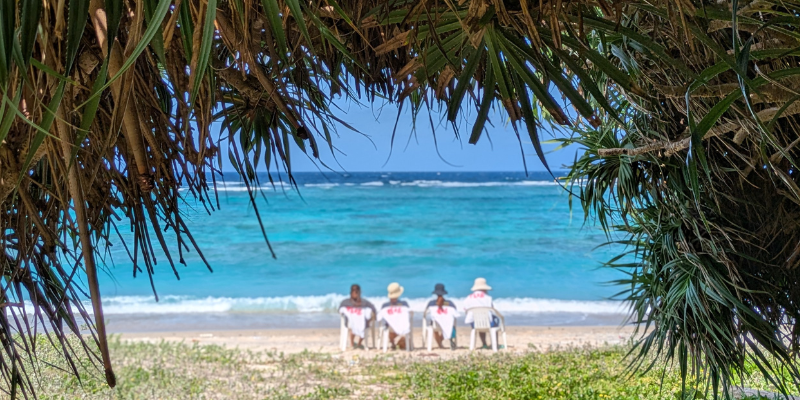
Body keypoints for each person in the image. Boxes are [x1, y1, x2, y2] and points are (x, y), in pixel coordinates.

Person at [463, 277, 501, 349]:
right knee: (495, 320)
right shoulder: (488, 298)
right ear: (484, 289)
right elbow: (492, 309)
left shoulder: (468, 298)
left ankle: (484, 344)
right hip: (488, 323)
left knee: (478, 320)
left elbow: (466, 310)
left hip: (475, 324)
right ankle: (495, 344)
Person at [339, 284, 376, 349]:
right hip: (350, 322)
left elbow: (373, 309)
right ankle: (352, 343)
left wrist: (371, 318)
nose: (354, 293)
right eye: (353, 292)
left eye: (356, 292)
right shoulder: (346, 302)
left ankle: (358, 344)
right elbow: (340, 310)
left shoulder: (364, 302)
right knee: (354, 326)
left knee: (365, 325)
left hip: (363, 322)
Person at [378, 282, 410, 350]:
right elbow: (408, 314)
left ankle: (393, 343)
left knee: (389, 325)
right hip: (402, 325)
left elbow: (379, 317)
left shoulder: (385, 306)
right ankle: (395, 342)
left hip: (390, 327)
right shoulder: (404, 304)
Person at [427, 283, 457, 349]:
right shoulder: (450, 303)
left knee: (434, 324)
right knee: (447, 323)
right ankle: (441, 343)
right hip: (449, 324)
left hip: (435, 325)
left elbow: (426, 312)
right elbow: (455, 312)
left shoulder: (431, 303)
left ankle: (440, 344)